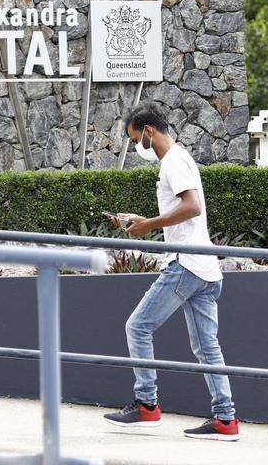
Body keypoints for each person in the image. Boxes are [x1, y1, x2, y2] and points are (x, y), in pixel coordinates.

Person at [102, 102, 240, 442]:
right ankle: (225, 420)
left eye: (136, 140)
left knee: (137, 326)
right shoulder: (181, 159)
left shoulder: (173, 162)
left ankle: (146, 405)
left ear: (149, 131)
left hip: (186, 265)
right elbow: (184, 210)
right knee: (208, 348)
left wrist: (149, 224)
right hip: (205, 267)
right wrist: (142, 220)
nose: (138, 148)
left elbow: (191, 206)